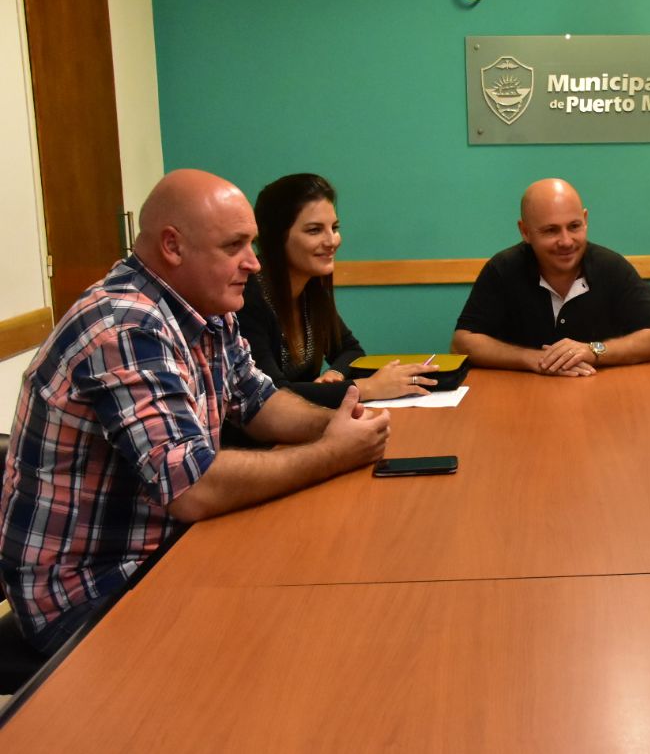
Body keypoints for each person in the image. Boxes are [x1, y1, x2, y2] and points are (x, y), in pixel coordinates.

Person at [0, 169, 391, 655]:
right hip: (89, 589)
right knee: (285, 647)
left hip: (167, 549)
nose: (253, 263)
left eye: (252, 244)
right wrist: (332, 453)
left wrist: (336, 427)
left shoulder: (209, 307)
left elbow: (259, 402)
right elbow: (193, 488)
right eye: (234, 246)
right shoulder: (123, 326)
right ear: (172, 246)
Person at [239, 173, 437, 408]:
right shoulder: (247, 298)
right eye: (314, 230)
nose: (331, 240)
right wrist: (367, 387)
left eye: (334, 227)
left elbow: (350, 350)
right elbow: (272, 395)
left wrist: (336, 374)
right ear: (276, 238)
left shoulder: (311, 287)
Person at [452, 178, 650, 375]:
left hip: (602, 398)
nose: (566, 241)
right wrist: (532, 359)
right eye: (551, 230)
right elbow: (463, 343)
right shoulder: (503, 268)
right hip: (523, 398)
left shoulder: (612, 266)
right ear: (525, 231)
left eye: (574, 226)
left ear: (585, 219)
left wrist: (592, 350)